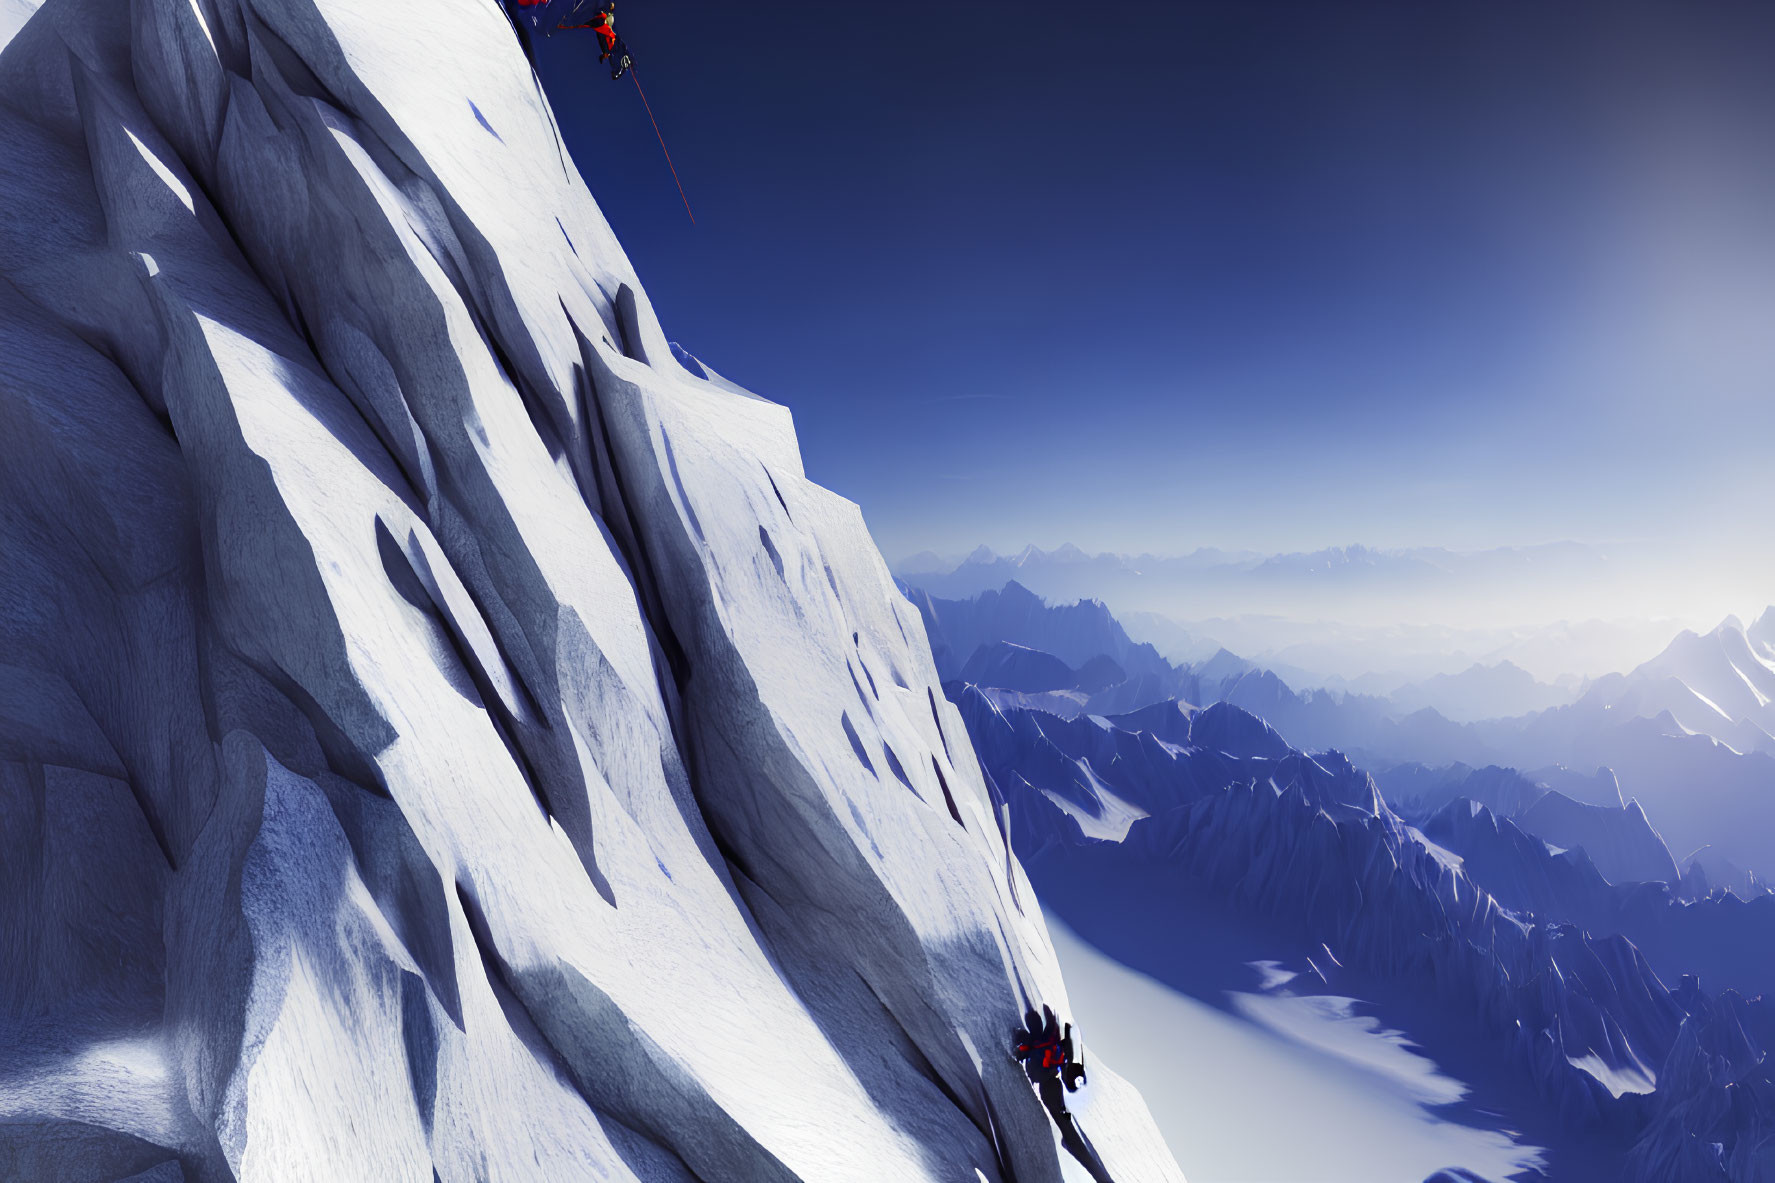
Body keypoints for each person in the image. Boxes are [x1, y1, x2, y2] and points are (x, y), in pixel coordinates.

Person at [1012, 1005, 1114, 1183]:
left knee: (1064, 1123)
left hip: (1048, 1087)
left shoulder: (1033, 1043)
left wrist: (1019, 1041)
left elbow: (1018, 1053)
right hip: (1055, 1084)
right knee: (1064, 1119)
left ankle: (1074, 1146)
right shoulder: (1047, 1038)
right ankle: (1074, 1144)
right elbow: (1062, 1047)